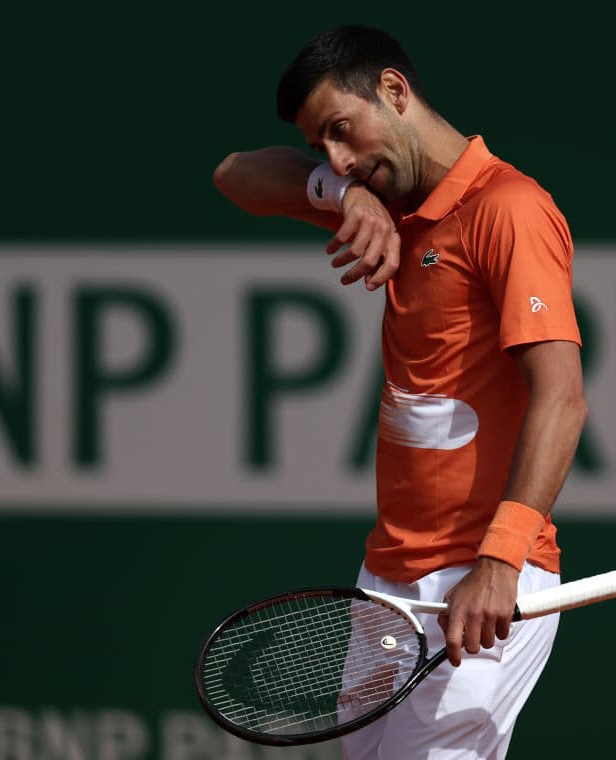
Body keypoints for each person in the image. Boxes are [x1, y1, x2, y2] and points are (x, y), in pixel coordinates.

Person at [213, 24, 588, 760]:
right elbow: (234, 175)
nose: (340, 157)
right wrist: (338, 191)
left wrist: (500, 561)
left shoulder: (510, 208)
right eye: (322, 147)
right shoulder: (378, 194)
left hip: (482, 584)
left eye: (341, 133)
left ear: (394, 90)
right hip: (386, 585)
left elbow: (563, 397)